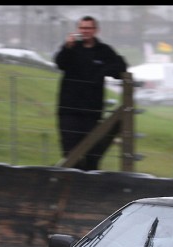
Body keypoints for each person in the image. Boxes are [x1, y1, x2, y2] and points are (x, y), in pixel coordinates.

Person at [54, 15, 128, 171]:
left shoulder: (104, 51)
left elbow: (120, 66)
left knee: (92, 153)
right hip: (69, 110)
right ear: (77, 30)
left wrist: (103, 71)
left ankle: (89, 185)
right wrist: (67, 46)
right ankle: (72, 186)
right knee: (70, 153)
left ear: (96, 30)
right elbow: (60, 63)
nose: (85, 31)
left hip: (92, 111)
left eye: (89, 28)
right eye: (82, 28)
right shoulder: (71, 48)